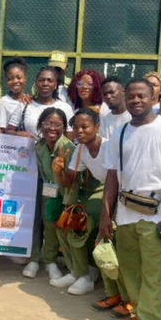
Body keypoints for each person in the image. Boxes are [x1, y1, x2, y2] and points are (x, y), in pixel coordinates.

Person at [98, 78, 161, 320]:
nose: (136, 100)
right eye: (132, 96)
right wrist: (106, 215)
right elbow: (112, 176)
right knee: (130, 271)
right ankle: (139, 314)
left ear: (153, 98)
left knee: (154, 274)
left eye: (142, 96)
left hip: (158, 214)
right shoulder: (121, 132)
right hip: (126, 213)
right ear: (125, 98)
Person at [52, 108, 109, 296]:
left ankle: (85, 277)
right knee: (66, 223)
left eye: (85, 127)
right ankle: (76, 271)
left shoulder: (108, 147)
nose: (79, 131)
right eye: (75, 127)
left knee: (80, 223)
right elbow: (69, 180)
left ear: (97, 127)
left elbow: (116, 180)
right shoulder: (81, 149)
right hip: (97, 191)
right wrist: (58, 172)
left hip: (112, 189)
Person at [22, 107, 72, 281]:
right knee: (38, 221)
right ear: (40, 125)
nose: (52, 128)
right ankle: (35, 259)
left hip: (66, 194)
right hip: (47, 191)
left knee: (52, 226)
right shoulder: (39, 147)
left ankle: (50, 261)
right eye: (48, 123)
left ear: (64, 127)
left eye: (58, 124)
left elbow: (72, 180)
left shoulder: (68, 148)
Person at [6, 67, 74, 139]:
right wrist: (19, 134)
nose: (45, 83)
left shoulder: (65, 108)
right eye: (41, 80)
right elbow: (8, 131)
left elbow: (69, 138)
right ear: (35, 84)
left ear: (55, 85)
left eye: (49, 80)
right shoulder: (24, 104)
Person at [0, 57, 30, 134]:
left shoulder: (29, 100)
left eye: (19, 77)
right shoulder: (3, 103)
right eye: (10, 79)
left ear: (25, 78)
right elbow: (1, 131)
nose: (15, 81)